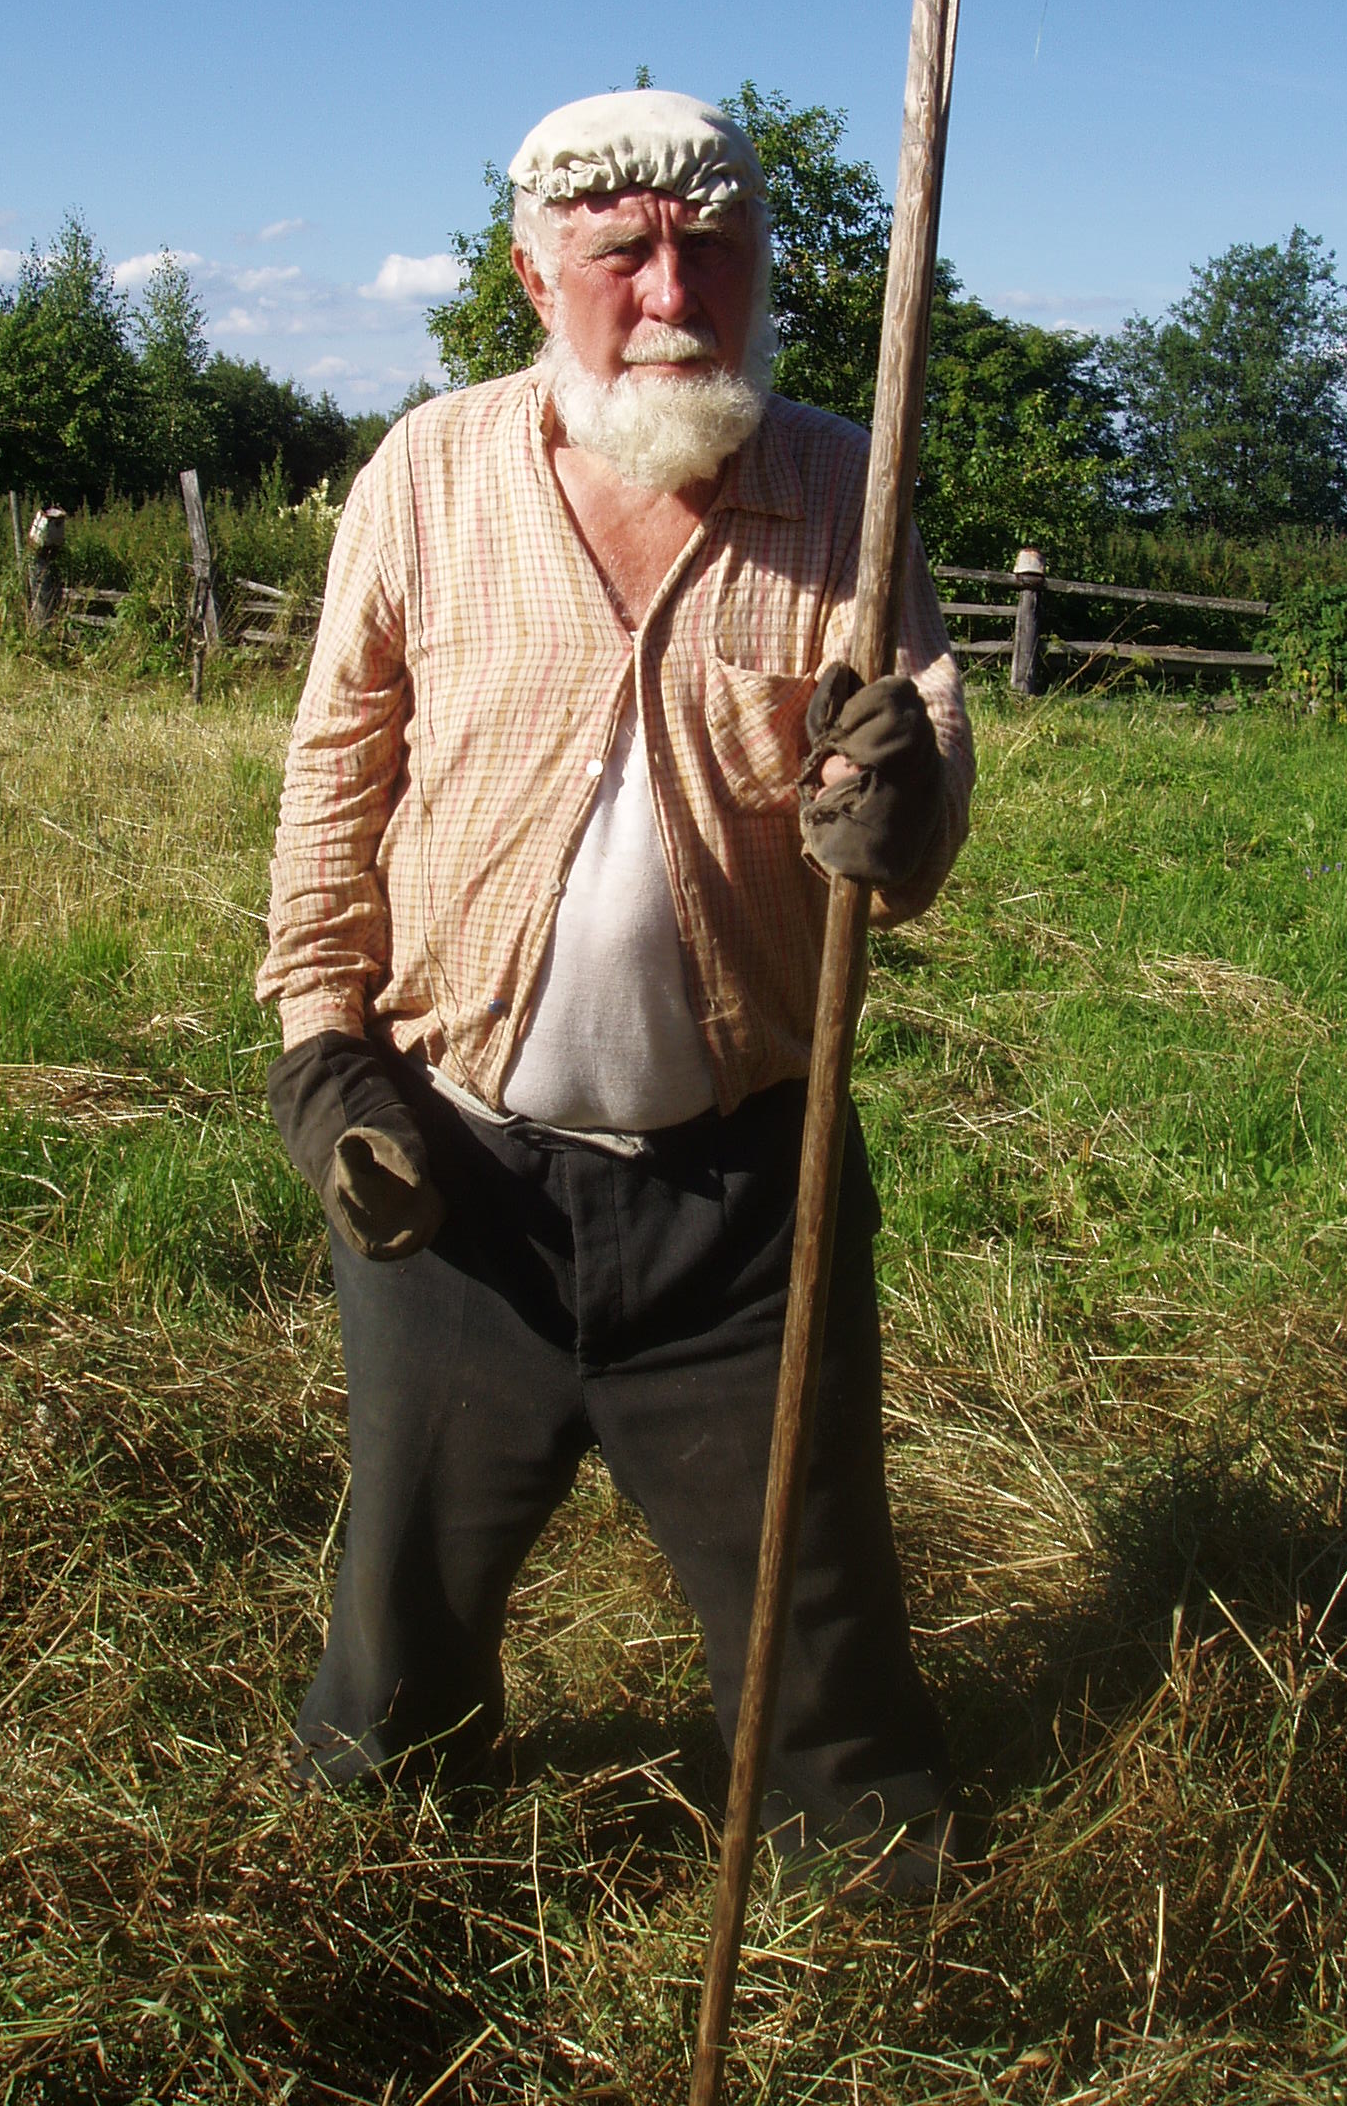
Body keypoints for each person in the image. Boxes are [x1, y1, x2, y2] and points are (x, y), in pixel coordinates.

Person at [258, 90, 975, 1876]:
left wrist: (896, 815)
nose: (674, 293)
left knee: (816, 1616)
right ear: (533, 273)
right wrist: (321, 1057)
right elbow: (337, 772)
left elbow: (930, 773)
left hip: (745, 1187)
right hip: (456, 1178)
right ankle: (373, 1846)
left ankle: (868, 1876)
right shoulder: (428, 475)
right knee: (405, 1592)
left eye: (713, 251)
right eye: (624, 253)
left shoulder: (848, 497)